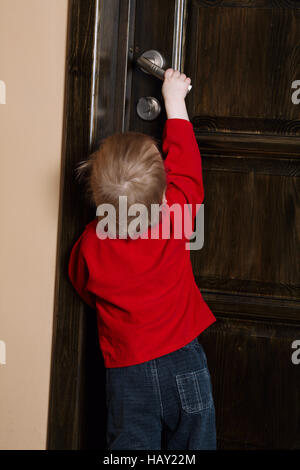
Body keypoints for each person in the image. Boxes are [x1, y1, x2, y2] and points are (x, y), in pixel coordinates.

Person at [68, 68, 217, 450]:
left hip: (128, 371)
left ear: (98, 200)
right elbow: (188, 167)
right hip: (184, 362)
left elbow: (83, 286)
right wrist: (173, 101)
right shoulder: (178, 215)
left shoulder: (91, 244)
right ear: (164, 192)